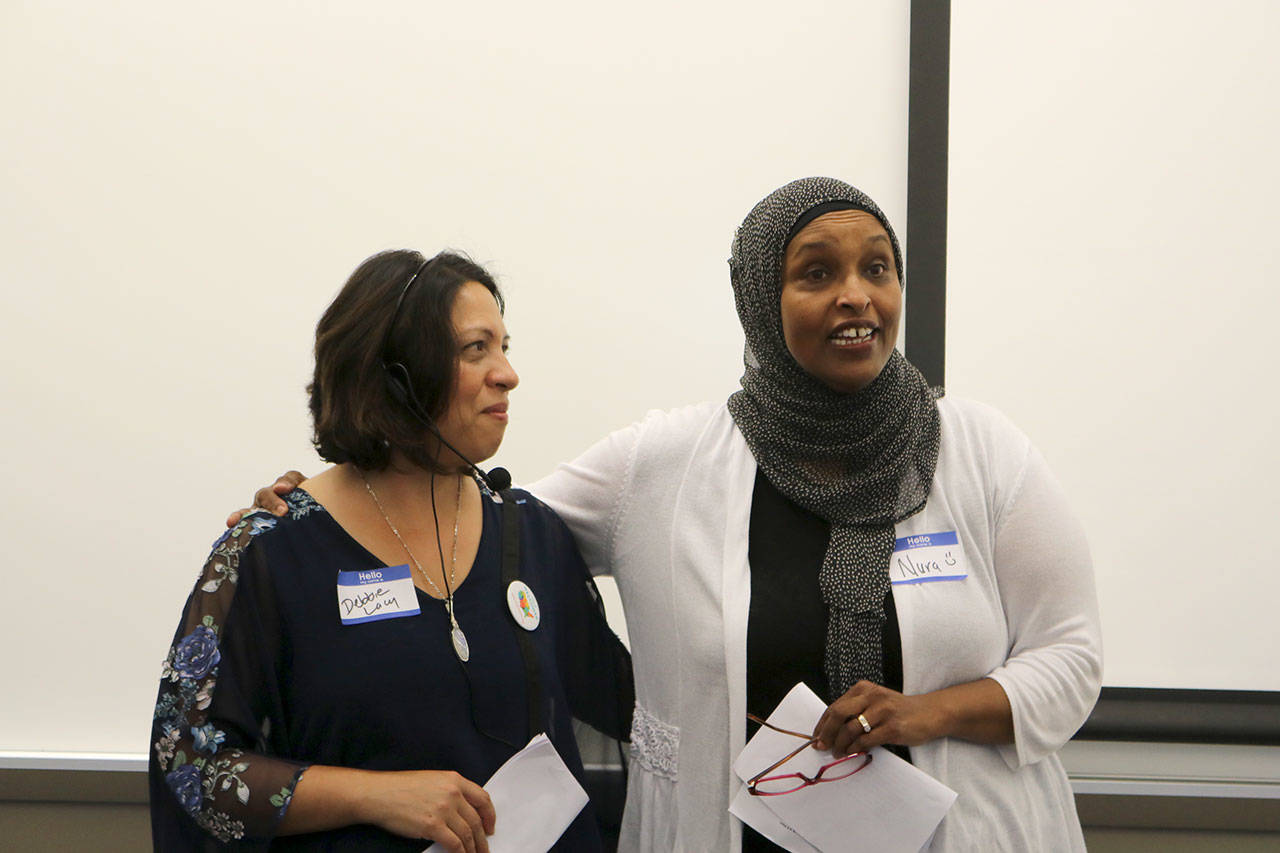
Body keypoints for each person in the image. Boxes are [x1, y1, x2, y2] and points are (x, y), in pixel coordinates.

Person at [240, 178, 1102, 851]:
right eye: (817, 272)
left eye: (877, 267)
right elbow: (478, 522)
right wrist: (328, 503)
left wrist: (934, 710)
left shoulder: (983, 452)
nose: (856, 295)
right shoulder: (665, 464)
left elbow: (1072, 657)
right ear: (759, 298)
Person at [152, 250, 632, 852]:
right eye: (475, 349)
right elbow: (192, 766)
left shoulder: (531, 533)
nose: (507, 373)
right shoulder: (270, 550)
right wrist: (375, 795)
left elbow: (631, 710)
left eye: (505, 347)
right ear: (395, 376)